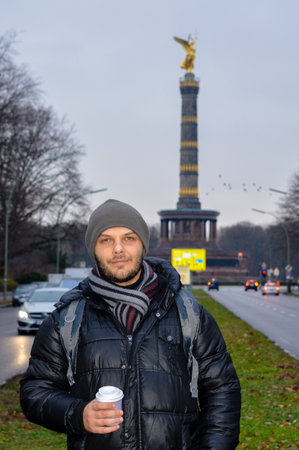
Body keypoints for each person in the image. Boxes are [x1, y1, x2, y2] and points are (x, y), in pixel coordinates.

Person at [20, 199, 241, 449]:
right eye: (106, 240)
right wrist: (77, 414)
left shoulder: (188, 313)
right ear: (94, 248)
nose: (118, 249)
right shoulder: (67, 320)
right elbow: (34, 392)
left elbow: (222, 391)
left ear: (143, 245)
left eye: (128, 238)